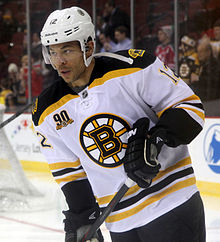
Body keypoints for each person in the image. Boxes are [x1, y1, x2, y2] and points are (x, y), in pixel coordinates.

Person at [32, 6, 206, 242]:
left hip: (171, 203)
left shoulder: (135, 66)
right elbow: (69, 173)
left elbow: (190, 109)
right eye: (52, 52)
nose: (59, 61)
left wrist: (156, 140)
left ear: (89, 47)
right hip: (119, 222)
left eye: (67, 50)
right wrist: (83, 219)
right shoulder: (46, 111)